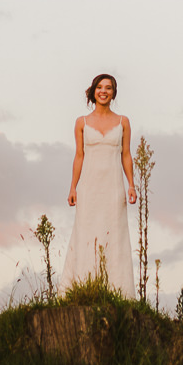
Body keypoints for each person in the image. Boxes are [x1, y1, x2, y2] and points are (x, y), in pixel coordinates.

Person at [64, 72, 137, 295]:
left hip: (114, 188)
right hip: (89, 188)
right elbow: (79, 156)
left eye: (108, 88)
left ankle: (118, 291)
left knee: (114, 234)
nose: (103, 91)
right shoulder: (81, 123)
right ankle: (83, 289)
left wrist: (131, 185)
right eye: (100, 87)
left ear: (113, 93)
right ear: (93, 91)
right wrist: (73, 187)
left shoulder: (123, 122)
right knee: (86, 232)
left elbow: (126, 155)